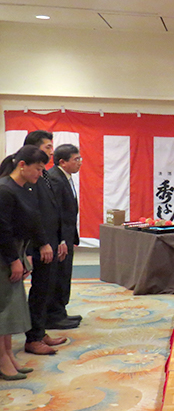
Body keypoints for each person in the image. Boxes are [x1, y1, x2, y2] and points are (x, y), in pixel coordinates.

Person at [0, 145, 49, 379]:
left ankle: (8, 354)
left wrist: (26, 254)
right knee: (3, 308)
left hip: (16, 251)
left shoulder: (23, 188)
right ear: (22, 165)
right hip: (4, 254)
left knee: (11, 307)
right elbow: (3, 230)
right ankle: (2, 359)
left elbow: (30, 223)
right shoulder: (4, 189)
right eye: (37, 169)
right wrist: (13, 260)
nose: (40, 174)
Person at [23, 130, 73, 356]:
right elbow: (31, 212)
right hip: (37, 242)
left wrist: (60, 238)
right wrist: (40, 243)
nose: (52, 152)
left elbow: (53, 209)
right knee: (38, 289)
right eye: (47, 147)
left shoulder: (43, 173)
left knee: (45, 288)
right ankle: (33, 338)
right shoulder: (25, 174)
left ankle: (39, 331)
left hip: (50, 240)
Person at [47, 144, 83, 325]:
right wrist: (61, 239)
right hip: (59, 238)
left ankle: (61, 311)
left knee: (64, 274)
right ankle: (54, 315)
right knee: (58, 275)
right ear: (62, 162)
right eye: (76, 159)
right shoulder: (55, 178)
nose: (80, 163)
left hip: (66, 235)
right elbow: (56, 212)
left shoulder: (65, 177)